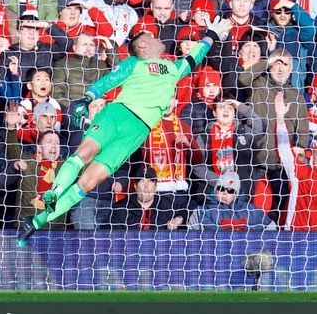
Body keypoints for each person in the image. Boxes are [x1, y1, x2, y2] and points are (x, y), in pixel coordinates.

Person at [15, 15, 234, 246]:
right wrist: (88, 97)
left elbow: (194, 56)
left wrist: (210, 35)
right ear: (142, 46)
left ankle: (37, 221)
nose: (155, 37)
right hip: (118, 114)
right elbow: (111, 79)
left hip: (136, 132)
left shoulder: (173, 68)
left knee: (88, 183)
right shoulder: (134, 62)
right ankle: (55, 192)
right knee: (85, 152)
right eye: (149, 36)